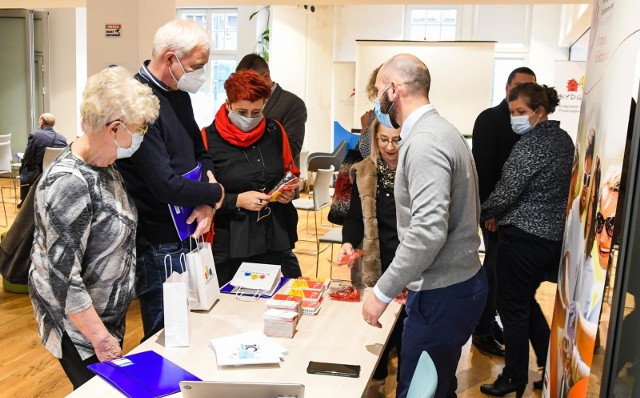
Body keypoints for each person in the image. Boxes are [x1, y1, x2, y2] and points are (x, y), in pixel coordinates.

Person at [362, 54, 488, 398]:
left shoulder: (424, 142)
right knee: (437, 386)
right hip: (452, 284)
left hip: (444, 293)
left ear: (393, 89)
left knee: (418, 391)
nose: (376, 101)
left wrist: (382, 291)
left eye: (377, 91)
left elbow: (427, 231)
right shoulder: (441, 130)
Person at [28, 66, 160, 389]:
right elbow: (64, 281)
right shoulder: (70, 183)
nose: (140, 137)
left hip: (104, 318)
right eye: (138, 129)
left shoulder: (105, 163)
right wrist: (101, 339)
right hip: (80, 329)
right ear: (114, 128)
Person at [116, 20, 224, 341]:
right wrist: (215, 192)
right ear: (169, 59)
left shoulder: (178, 94)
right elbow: (164, 184)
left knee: (191, 327)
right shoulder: (138, 101)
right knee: (165, 335)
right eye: (197, 66)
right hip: (159, 240)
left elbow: (200, 153)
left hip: (188, 229)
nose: (201, 75)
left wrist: (205, 202)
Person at [480, 82, 574, 397]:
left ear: (540, 111)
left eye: (520, 112)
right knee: (523, 302)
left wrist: (483, 212)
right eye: (512, 112)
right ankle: (549, 362)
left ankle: (514, 377)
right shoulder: (563, 140)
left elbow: (508, 190)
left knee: (511, 309)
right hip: (549, 239)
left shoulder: (531, 145)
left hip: (522, 239)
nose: (515, 118)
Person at [202, 70, 300, 286]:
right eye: (241, 111)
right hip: (229, 241)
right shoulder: (207, 139)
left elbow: (289, 172)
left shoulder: (274, 131)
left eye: (256, 112)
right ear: (228, 104)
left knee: (270, 300)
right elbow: (200, 195)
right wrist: (236, 200)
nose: (248, 119)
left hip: (272, 236)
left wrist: (287, 192)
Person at [471, 67, 536, 357]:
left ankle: (488, 321)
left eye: (530, 87)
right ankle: (481, 331)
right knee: (495, 272)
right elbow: (483, 172)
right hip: (495, 214)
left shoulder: (526, 121)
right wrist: (489, 212)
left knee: (502, 272)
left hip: (518, 215)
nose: (524, 92)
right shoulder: (490, 119)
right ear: (508, 86)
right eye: (520, 86)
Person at [338, 119, 404, 397]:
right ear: (375, 140)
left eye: (396, 140)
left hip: (406, 258)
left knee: (404, 325)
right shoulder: (364, 171)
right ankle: (376, 375)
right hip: (375, 258)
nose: (390, 147)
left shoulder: (416, 169)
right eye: (383, 140)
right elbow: (354, 216)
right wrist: (348, 242)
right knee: (375, 321)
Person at [235, 53, 306, 275]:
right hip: (245, 196)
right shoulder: (239, 102)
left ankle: (296, 289)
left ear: (266, 77)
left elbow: (291, 150)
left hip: (277, 194)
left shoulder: (291, 104)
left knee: (282, 254)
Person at [18, 113, 67, 204]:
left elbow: (27, 157)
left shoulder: (35, 135)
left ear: (42, 123)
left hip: (37, 173)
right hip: (55, 172)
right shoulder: (62, 138)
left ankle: (24, 201)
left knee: (24, 166)